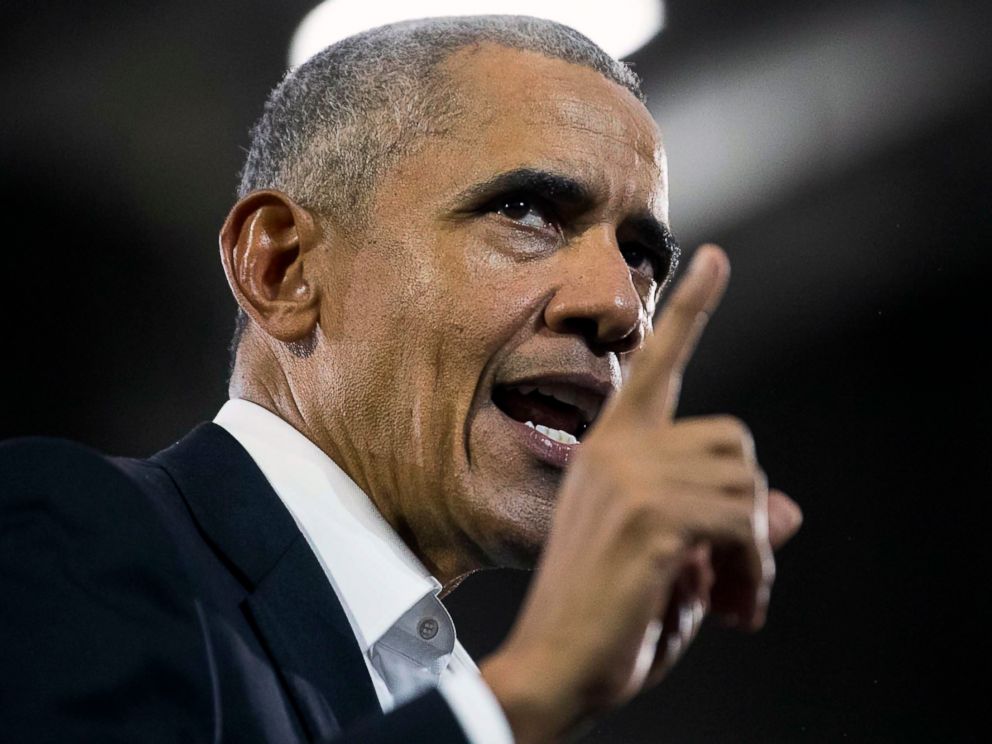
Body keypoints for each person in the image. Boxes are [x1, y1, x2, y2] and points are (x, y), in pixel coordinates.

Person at [0, 15, 802, 744]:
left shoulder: (435, 683)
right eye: (525, 210)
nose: (620, 307)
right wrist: (526, 694)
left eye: (641, 257)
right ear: (282, 268)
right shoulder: (63, 534)